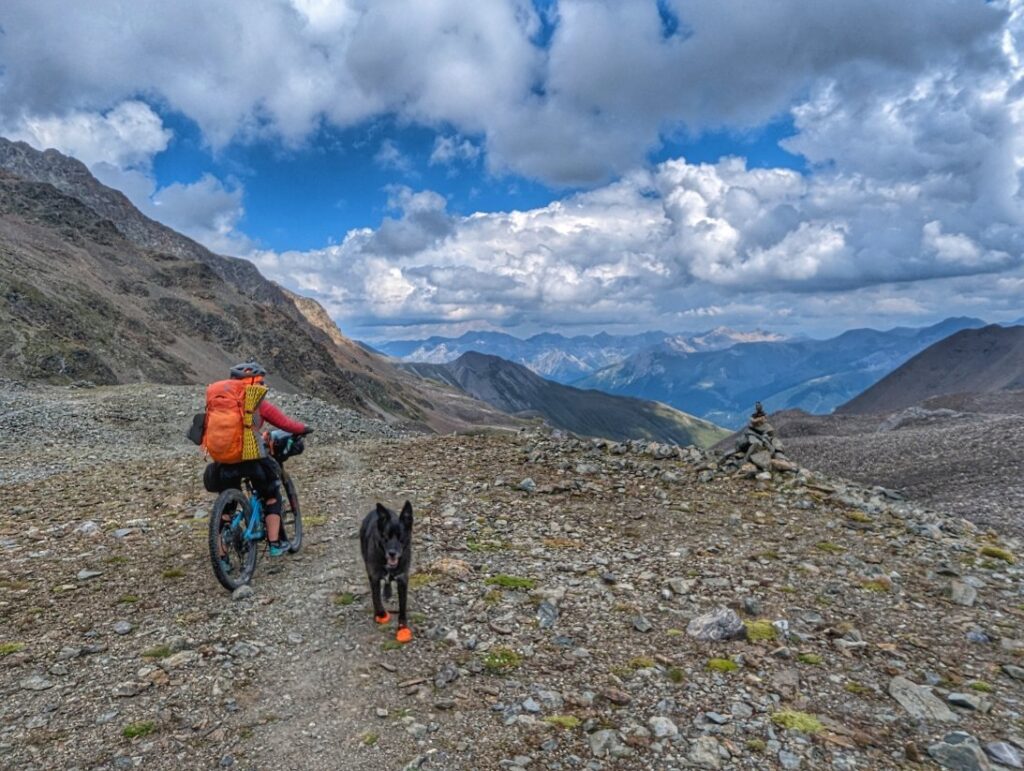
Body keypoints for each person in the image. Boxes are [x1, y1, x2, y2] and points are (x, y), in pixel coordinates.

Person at [215, 362, 310, 557]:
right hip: (250, 459)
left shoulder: (220, 402)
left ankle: (222, 557)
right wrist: (303, 429)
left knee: (227, 506)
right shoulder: (256, 403)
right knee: (272, 493)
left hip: (224, 459)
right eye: (261, 382)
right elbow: (285, 423)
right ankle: (275, 544)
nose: (263, 385)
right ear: (253, 382)